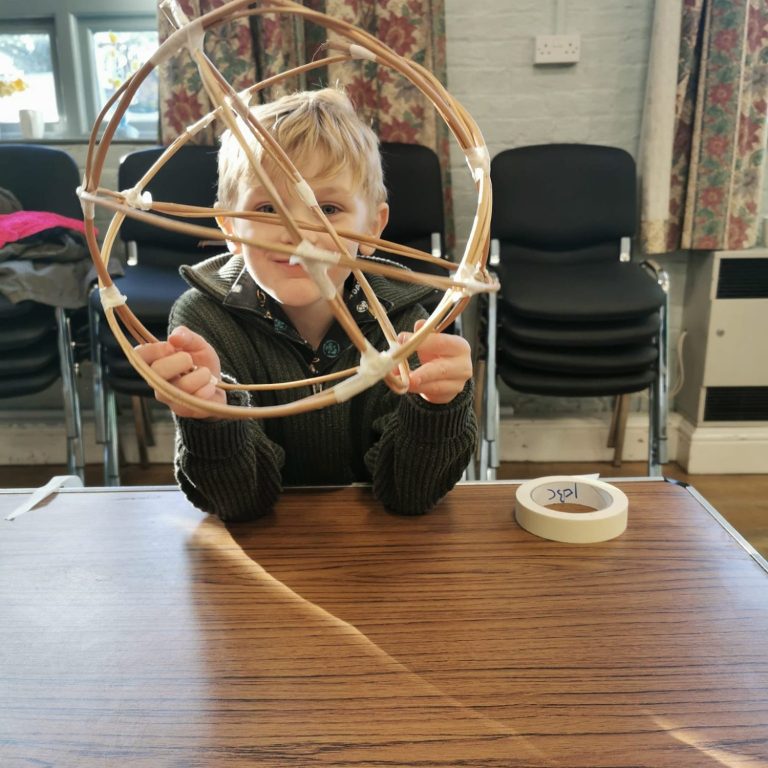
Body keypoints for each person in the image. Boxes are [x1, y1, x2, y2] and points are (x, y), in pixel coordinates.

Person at [135, 87, 476, 521]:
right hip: (262, 548)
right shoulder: (203, 320)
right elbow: (238, 504)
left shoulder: (410, 322)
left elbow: (410, 495)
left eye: (328, 208)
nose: (297, 233)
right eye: (266, 208)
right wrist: (210, 418)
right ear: (228, 226)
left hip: (377, 544)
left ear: (373, 228)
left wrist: (437, 406)